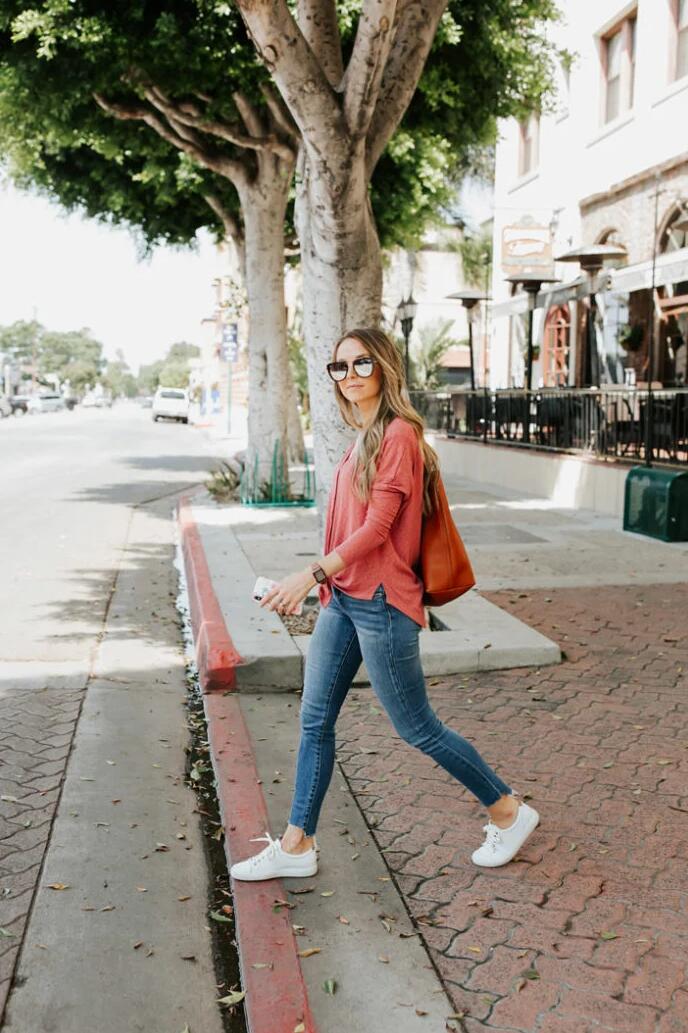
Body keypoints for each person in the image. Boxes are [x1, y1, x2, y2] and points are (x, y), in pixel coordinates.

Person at [230, 328, 539, 881]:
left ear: (385, 367)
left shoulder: (397, 435)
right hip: (345, 601)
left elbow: (378, 529)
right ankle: (297, 845)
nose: (349, 376)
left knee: (418, 727)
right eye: (339, 367)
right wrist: (321, 582)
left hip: (381, 605)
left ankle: (508, 811)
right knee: (314, 718)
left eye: (360, 364)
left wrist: (310, 572)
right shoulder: (366, 435)